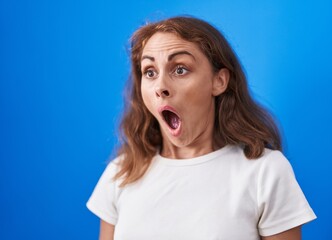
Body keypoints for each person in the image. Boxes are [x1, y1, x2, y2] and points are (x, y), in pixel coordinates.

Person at [87, 16, 316, 240]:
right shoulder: (122, 172)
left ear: (219, 81)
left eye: (180, 69)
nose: (160, 87)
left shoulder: (266, 172)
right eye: (150, 72)